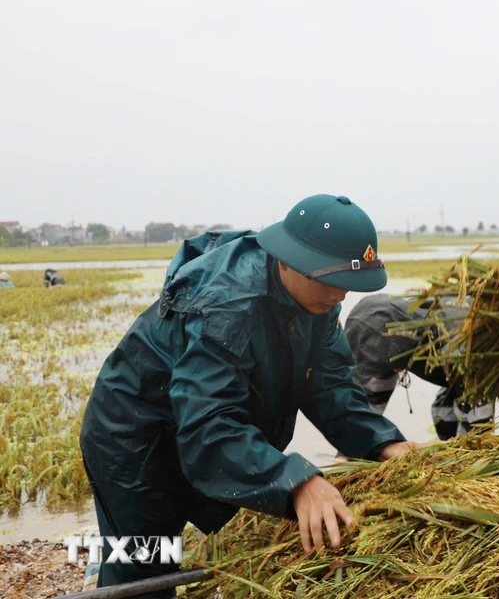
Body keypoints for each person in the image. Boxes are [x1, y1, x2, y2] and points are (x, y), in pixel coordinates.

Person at [79, 195, 418, 596]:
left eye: (348, 284)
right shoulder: (228, 305)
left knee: (160, 563)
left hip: (198, 425)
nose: (340, 296)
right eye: (333, 282)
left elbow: (330, 386)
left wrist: (384, 442)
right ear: (289, 259)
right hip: (136, 436)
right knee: (143, 571)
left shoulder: (317, 297)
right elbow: (208, 425)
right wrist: (295, 482)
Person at [345, 293, 499, 438]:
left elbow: (478, 426)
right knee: (444, 412)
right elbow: (366, 411)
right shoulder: (379, 332)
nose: (393, 374)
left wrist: (467, 467)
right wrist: (349, 452)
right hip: (456, 360)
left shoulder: (457, 341)